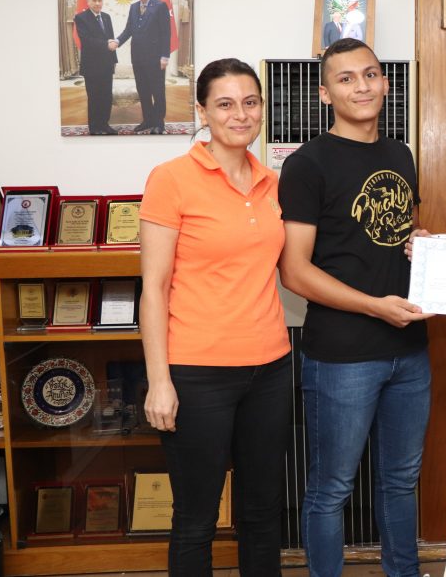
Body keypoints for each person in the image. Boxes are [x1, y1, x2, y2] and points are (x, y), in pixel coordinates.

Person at [277, 38, 432, 577]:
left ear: (385, 82)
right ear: (325, 94)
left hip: (409, 349)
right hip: (343, 356)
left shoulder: (400, 154)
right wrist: (373, 307)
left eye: (370, 74)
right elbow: (295, 271)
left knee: (401, 480)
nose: (361, 86)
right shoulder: (307, 164)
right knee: (331, 488)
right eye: (346, 79)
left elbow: (396, 234)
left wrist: (420, 242)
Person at [139, 58, 291, 576]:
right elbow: (154, 289)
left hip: (270, 369)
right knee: (196, 519)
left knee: (263, 514)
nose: (240, 115)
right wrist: (160, 381)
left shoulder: (272, 182)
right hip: (197, 373)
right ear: (202, 112)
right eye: (225, 104)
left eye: (250, 102)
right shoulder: (171, 179)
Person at [111, 0, 171, 134]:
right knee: (143, 91)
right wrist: (117, 41)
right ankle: (148, 120)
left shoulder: (160, 6)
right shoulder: (133, 7)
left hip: (155, 58)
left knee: (157, 91)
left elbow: (166, 33)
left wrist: (165, 56)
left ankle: (159, 123)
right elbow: (128, 30)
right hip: (137, 58)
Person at [73, 0, 118, 135]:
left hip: (107, 64)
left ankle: (105, 124)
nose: (97, 3)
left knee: (106, 97)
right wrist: (106, 44)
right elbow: (86, 41)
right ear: (88, 2)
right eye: (94, 0)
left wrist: (114, 60)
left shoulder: (106, 17)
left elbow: (111, 38)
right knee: (94, 97)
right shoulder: (81, 18)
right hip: (92, 65)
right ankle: (94, 128)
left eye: (100, 0)